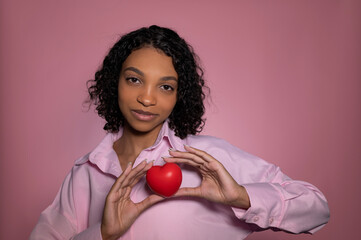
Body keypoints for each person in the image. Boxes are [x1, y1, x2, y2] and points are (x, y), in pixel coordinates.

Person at [30, 25, 330, 240]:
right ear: (114, 83)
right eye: (134, 80)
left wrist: (240, 196)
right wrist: (104, 234)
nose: (147, 98)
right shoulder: (85, 173)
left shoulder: (209, 159)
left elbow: (316, 207)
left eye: (165, 87)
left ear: (179, 96)